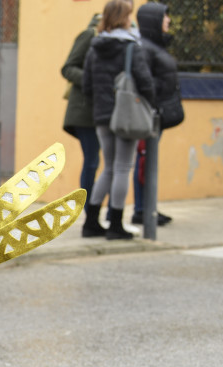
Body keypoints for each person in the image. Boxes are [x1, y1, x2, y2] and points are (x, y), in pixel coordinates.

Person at [82, 0, 155, 240]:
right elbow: (145, 81)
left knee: (109, 168)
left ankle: (91, 221)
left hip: (102, 115)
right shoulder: (130, 47)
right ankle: (115, 224)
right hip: (125, 115)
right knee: (123, 167)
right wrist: (151, 101)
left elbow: (86, 85)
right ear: (124, 18)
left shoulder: (95, 47)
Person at [131, 1, 183, 227]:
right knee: (145, 160)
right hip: (149, 114)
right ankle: (142, 210)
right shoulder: (144, 47)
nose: (169, 21)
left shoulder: (155, 46)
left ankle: (147, 208)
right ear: (154, 21)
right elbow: (144, 80)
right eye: (165, 17)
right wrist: (157, 99)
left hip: (156, 113)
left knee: (147, 161)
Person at [62, 12, 104, 237]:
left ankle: (93, 214)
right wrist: (91, 80)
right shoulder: (90, 34)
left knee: (96, 161)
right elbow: (68, 68)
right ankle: (89, 214)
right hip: (83, 111)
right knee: (92, 161)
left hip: (100, 110)